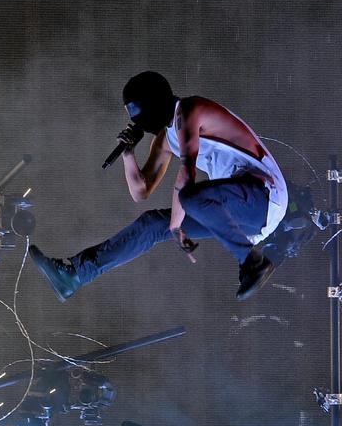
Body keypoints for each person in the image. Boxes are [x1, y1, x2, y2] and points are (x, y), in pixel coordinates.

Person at [28, 71, 288, 302]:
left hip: (264, 195)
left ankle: (253, 262)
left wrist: (177, 224)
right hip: (238, 213)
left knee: (191, 198)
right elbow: (141, 192)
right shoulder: (166, 137)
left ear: (155, 102)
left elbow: (186, 175)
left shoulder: (189, 110)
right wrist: (129, 154)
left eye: (141, 114)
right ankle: (75, 274)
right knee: (153, 224)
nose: (140, 123)